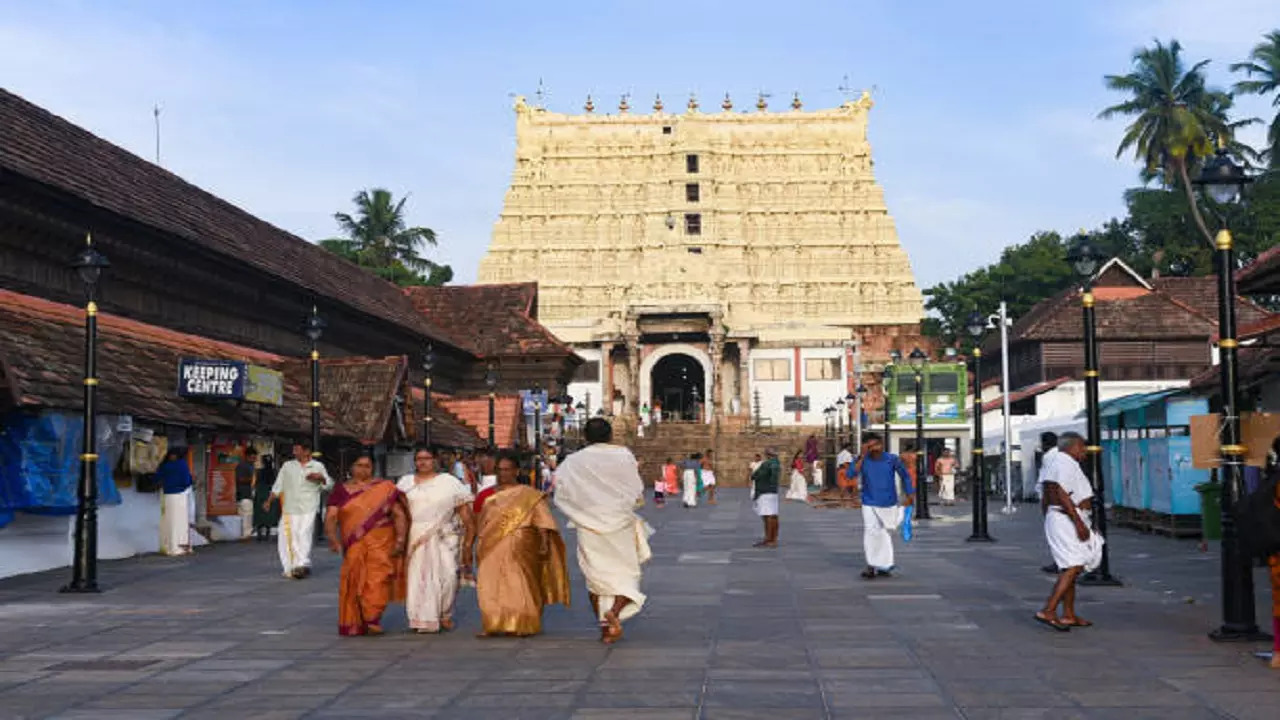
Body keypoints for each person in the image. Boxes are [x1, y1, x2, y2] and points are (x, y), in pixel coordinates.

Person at [553, 418, 652, 645]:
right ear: (610, 435)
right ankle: (614, 613)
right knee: (626, 574)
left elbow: (561, 488)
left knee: (595, 578)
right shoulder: (623, 455)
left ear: (585, 437)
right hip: (619, 522)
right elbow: (635, 488)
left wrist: (581, 508)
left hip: (588, 523)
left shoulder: (573, 461)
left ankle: (606, 629)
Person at [474, 452, 571, 637]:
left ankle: (522, 622)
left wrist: (543, 542)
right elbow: (479, 521)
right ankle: (493, 622)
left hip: (521, 542)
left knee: (518, 582)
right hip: (490, 543)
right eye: (499, 470)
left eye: (507, 470)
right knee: (489, 582)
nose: (503, 474)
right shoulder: (487, 495)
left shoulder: (529, 495)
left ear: (516, 471)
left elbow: (542, 520)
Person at [324, 454, 407, 637]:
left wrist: (401, 540)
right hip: (354, 543)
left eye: (367, 466)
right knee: (354, 579)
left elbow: (399, 515)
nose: (363, 470)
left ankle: (372, 619)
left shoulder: (384, 488)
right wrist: (332, 538)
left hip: (382, 541)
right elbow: (331, 516)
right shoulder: (341, 490)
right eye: (359, 465)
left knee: (378, 578)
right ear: (351, 467)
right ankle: (356, 620)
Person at [397, 448, 475, 633]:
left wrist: (469, 542)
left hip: (444, 535)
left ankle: (444, 613)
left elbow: (465, 513)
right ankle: (419, 618)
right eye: (418, 459)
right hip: (415, 534)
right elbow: (396, 511)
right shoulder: (405, 483)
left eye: (427, 458)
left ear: (435, 461)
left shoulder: (449, 482)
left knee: (448, 576)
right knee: (417, 578)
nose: (422, 462)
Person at [1035, 432, 1105, 632]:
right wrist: (1078, 522)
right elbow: (1060, 492)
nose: (1085, 451)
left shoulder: (1056, 462)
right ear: (1073, 446)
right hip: (1066, 518)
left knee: (1071, 565)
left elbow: (1048, 494)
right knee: (1073, 566)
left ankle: (1068, 614)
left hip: (1061, 517)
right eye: (1082, 447)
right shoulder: (1063, 462)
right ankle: (1048, 610)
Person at [847, 433, 914, 579]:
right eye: (870, 446)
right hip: (869, 501)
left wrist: (910, 494)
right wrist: (862, 456)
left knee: (884, 533)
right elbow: (851, 474)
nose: (874, 448)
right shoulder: (862, 460)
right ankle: (871, 565)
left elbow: (905, 475)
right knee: (871, 532)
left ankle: (885, 565)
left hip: (888, 501)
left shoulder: (892, 459)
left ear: (882, 444)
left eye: (876, 445)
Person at [267, 442, 333, 579]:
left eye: (297, 450)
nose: (295, 453)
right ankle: (290, 567)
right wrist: (269, 500)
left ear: (307, 451)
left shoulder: (317, 466)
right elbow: (278, 485)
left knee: (304, 533)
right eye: (294, 450)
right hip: (290, 507)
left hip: (309, 506)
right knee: (287, 536)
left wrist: (320, 478)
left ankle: (302, 564)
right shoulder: (288, 466)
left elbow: (329, 485)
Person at [156, 448, 194, 556]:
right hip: (180, 495)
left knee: (169, 521)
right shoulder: (182, 464)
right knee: (181, 522)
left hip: (167, 495)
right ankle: (182, 547)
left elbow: (157, 478)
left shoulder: (164, 465)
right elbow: (187, 481)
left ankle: (169, 547)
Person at [1036, 432, 1062, 574]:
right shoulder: (1060, 455)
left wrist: (1045, 503)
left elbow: (1047, 480)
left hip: (1052, 500)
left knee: (1054, 533)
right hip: (1058, 498)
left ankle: (1060, 562)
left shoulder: (1048, 456)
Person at [752, 447, 782, 546]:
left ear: (767, 455)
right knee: (774, 516)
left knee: (767, 516)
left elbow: (757, 475)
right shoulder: (777, 463)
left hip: (764, 491)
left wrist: (755, 474)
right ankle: (774, 539)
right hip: (773, 491)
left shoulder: (767, 464)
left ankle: (768, 539)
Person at [252, 454, 280, 541]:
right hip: (270, 493)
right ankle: (267, 532)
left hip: (260, 492)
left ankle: (259, 533)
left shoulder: (258, 471)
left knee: (259, 513)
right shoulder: (274, 471)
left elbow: (254, 483)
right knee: (269, 513)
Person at [235, 447, 258, 540]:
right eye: (252, 457)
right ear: (247, 456)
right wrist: (252, 479)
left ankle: (246, 534)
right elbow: (240, 479)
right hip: (244, 493)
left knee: (246, 514)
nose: (254, 459)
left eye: (255, 458)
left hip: (249, 493)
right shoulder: (242, 466)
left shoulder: (251, 466)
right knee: (246, 515)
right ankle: (246, 534)